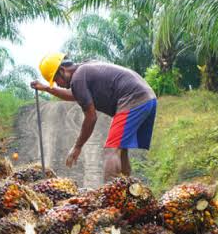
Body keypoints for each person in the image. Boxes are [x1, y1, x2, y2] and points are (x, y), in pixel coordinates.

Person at [31, 52, 156, 181]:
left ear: (62, 70)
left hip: (134, 99)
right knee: (121, 150)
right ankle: (128, 192)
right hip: (147, 98)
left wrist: (77, 146)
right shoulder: (84, 70)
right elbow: (75, 95)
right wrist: (46, 88)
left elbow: (91, 117)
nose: (57, 84)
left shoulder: (78, 78)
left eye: (56, 80)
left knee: (110, 151)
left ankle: (110, 197)